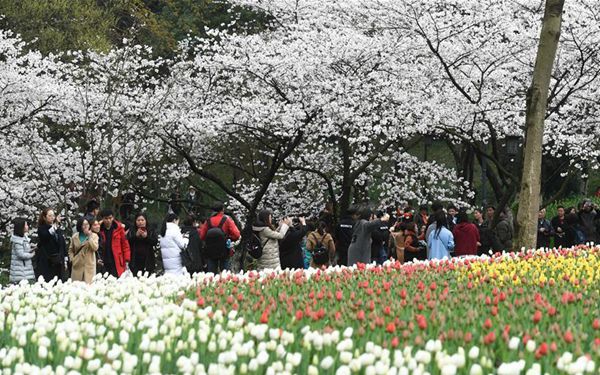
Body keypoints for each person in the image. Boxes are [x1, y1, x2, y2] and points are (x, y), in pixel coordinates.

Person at [199, 201, 241, 273]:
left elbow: (202, 236)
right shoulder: (227, 220)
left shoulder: (208, 221)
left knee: (211, 274)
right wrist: (229, 238)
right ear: (223, 209)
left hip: (210, 250)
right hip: (224, 249)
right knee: (225, 274)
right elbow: (237, 234)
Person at [36, 208, 67, 282]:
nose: (52, 217)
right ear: (44, 217)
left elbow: (62, 244)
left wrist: (65, 259)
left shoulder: (57, 229)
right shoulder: (41, 229)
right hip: (47, 261)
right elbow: (47, 235)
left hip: (58, 261)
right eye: (50, 216)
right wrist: (56, 224)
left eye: (53, 215)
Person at [98, 209, 131, 278]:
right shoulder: (99, 229)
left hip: (117, 260)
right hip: (104, 260)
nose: (108, 220)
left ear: (113, 217)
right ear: (102, 219)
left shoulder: (119, 228)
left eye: (110, 218)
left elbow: (125, 245)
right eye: (106, 218)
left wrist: (127, 260)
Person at [68, 217, 99, 284]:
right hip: (77, 265)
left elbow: (95, 248)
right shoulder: (75, 237)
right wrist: (72, 259)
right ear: (80, 226)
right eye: (83, 225)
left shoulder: (94, 236)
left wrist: (89, 237)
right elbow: (71, 250)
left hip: (89, 267)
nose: (86, 226)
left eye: (87, 224)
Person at [9, 218, 35, 284]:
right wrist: (32, 254)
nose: (27, 226)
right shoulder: (17, 241)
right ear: (21, 227)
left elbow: (25, 250)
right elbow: (21, 254)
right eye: (26, 225)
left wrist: (32, 249)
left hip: (25, 271)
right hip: (20, 272)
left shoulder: (24, 238)